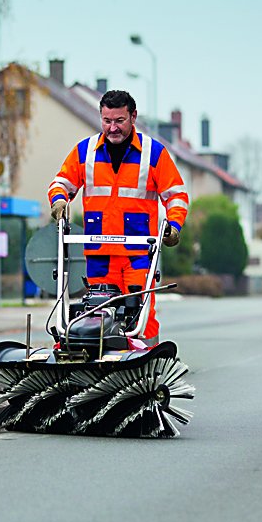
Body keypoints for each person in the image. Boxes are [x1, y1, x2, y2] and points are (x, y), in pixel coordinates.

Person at [47, 89, 189, 344]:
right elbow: (61, 183)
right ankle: (96, 355)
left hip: (137, 253)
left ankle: (147, 359)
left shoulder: (153, 154)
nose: (112, 128)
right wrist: (59, 201)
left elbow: (176, 195)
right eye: (107, 121)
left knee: (140, 311)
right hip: (99, 252)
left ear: (133, 117)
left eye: (119, 121)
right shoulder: (85, 151)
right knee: (98, 311)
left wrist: (174, 225)